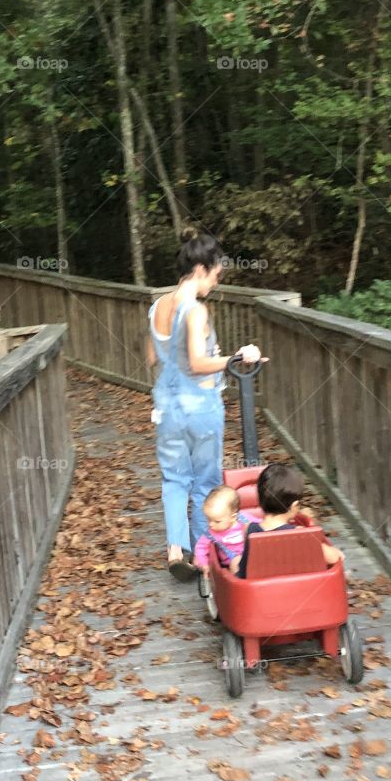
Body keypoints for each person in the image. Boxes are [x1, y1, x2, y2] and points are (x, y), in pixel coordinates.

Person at [147, 228, 262, 581]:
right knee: (205, 482)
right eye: (216, 274)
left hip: (166, 408)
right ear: (201, 269)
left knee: (173, 480)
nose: (216, 281)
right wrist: (239, 356)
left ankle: (175, 549)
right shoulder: (195, 310)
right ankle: (203, 556)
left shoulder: (156, 306)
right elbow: (197, 363)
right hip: (199, 409)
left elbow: (152, 357)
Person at [235, 462, 343, 579]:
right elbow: (335, 557)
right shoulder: (300, 535)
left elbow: (243, 572)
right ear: (294, 506)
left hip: (258, 594)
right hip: (297, 592)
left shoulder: (250, 530)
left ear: (259, 500)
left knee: (235, 562)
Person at [192, 485, 261, 575]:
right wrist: (204, 563)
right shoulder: (211, 534)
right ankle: (238, 582)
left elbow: (261, 525)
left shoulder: (243, 519)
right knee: (235, 563)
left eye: (217, 521)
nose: (211, 524)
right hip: (231, 564)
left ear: (233, 517)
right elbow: (200, 547)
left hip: (251, 556)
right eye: (208, 519)